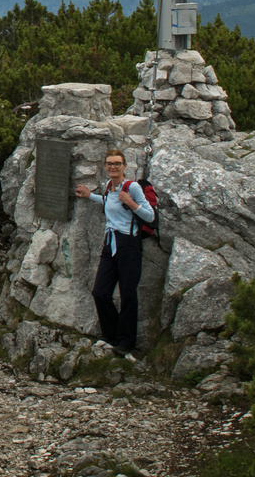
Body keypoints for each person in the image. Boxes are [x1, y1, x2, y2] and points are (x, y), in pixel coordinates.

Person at [75, 147, 154, 356]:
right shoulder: (109, 187)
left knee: (128, 295)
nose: (113, 166)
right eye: (110, 163)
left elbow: (150, 216)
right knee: (100, 292)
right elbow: (109, 202)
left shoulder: (132, 187)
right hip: (110, 243)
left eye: (117, 163)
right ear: (105, 166)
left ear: (124, 166)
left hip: (129, 244)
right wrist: (90, 196)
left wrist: (131, 203)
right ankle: (112, 335)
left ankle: (126, 343)